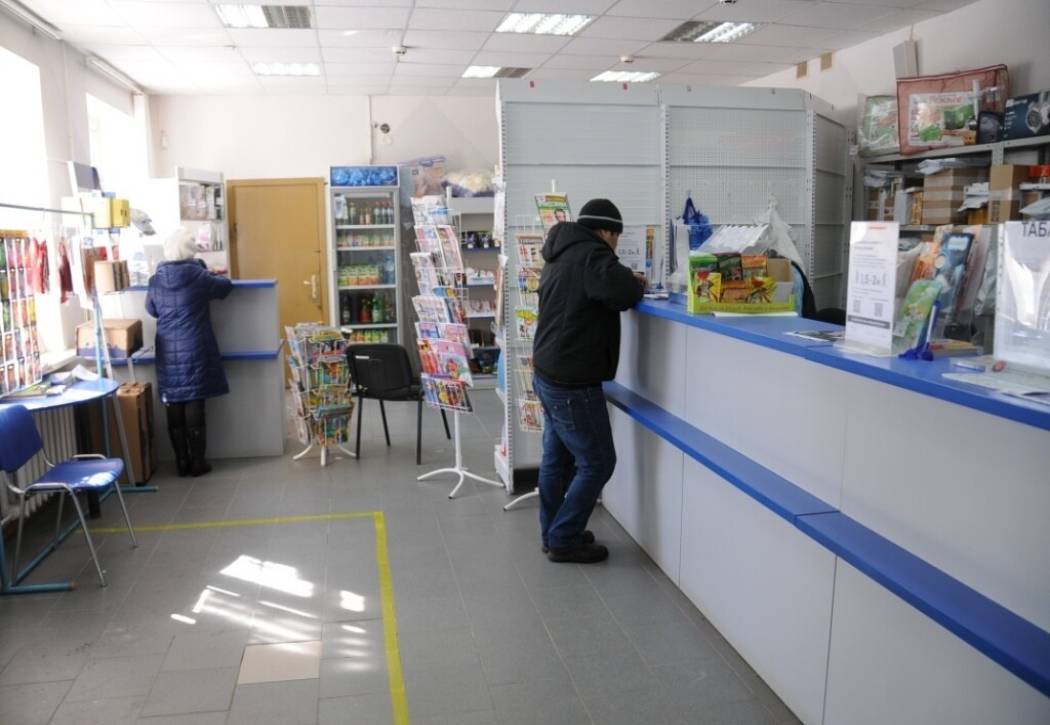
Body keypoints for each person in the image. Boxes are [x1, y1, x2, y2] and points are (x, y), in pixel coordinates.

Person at [532, 199, 645, 563]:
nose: (616, 245)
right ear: (607, 232)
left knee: (557, 460)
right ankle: (564, 539)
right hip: (572, 379)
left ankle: (553, 532)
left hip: (547, 371)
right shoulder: (593, 255)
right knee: (598, 462)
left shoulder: (562, 251)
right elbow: (624, 293)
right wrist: (634, 281)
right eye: (617, 237)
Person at [146, 228, 232, 477]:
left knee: (173, 400)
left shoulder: (155, 280)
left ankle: (181, 462)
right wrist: (206, 269)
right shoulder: (199, 276)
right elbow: (225, 288)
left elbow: (151, 309)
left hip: (167, 349)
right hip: (195, 345)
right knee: (194, 399)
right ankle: (197, 462)